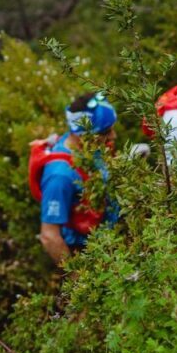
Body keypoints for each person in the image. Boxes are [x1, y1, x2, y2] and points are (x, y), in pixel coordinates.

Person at [36, 92, 119, 267]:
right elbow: (49, 236)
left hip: (109, 243)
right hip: (85, 254)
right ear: (83, 134)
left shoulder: (88, 146)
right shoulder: (60, 176)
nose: (113, 137)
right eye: (106, 132)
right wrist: (80, 281)